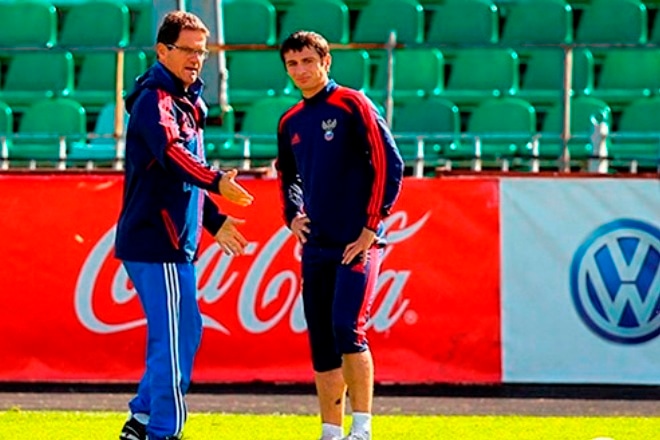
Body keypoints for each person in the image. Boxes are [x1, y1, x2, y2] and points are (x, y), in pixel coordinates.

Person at [115, 11, 254, 440]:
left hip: (171, 241)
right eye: (188, 50)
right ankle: (164, 430)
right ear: (163, 51)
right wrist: (216, 181)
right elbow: (173, 154)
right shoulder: (156, 100)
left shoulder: (184, 100)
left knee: (184, 333)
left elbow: (178, 177)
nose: (197, 58)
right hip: (157, 240)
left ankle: (142, 419)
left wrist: (213, 219)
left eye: (202, 51)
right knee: (172, 342)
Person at [276, 31, 404, 440]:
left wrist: (371, 227)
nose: (301, 70)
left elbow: (390, 163)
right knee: (322, 340)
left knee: (347, 328)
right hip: (317, 246)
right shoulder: (290, 121)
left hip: (356, 242)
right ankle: (331, 431)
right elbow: (288, 175)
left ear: (325, 62)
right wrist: (292, 215)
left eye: (307, 61)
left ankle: (362, 428)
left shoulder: (352, 103)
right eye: (293, 64)